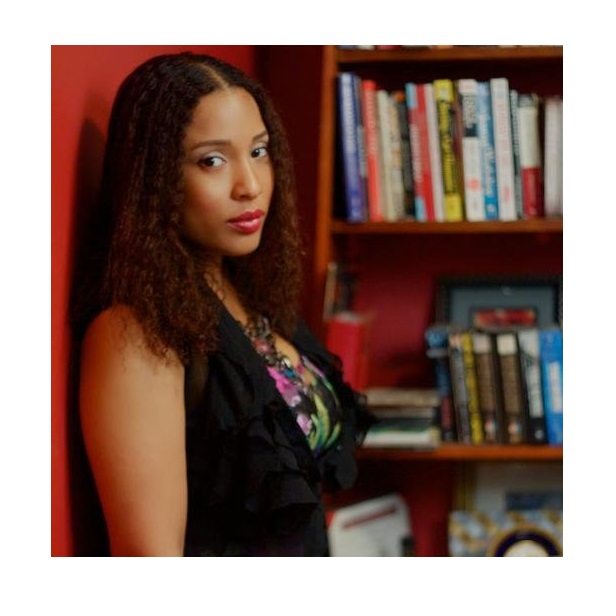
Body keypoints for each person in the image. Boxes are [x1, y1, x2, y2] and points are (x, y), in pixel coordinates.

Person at [73, 51, 372, 557]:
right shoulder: (137, 332)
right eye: (212, 161)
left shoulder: (247, 293)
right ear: (154, 178)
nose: (250, 185)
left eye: (259, 151)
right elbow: (149, 558)